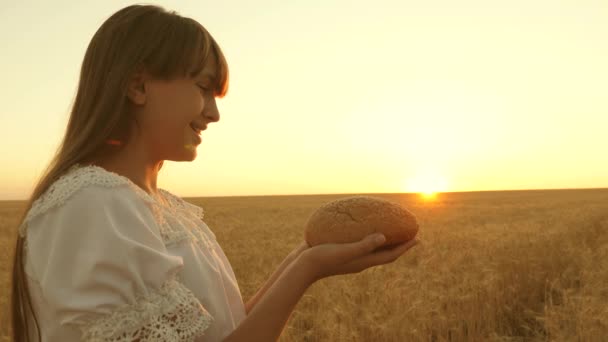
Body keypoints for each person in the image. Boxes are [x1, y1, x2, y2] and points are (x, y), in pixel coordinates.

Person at [9, 4, 419, 342]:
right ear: (138, 87)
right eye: (203, 88)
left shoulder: (159, 208)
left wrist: (305, 259)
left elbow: (225, 332)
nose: (214, 113)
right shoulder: (92, 205)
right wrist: (307, 270)